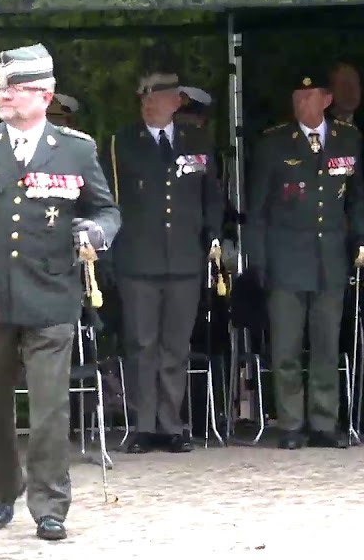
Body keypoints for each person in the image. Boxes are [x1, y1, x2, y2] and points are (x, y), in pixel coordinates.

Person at [0, 44, 120, 542]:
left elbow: (107, 209)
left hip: (51, 293)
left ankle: (50, 504)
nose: (4, 95)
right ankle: (5, 488)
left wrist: (97, 232)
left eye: (17, 88)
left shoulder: (76, 148)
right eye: (1, 87)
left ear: (45, 95)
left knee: (49, 407)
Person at [104, 72, 223, 453]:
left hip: (185, 257)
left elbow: (211, 196)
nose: (152, 102)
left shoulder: (196, 141)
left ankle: (171, 424)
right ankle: (143, 425)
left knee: (175, 345)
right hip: (138, 260)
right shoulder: (120, 144)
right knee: (141, 343)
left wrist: (214, 236)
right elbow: (109, 201)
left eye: (164, 96)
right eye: (149, 96)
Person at [247, 68, 363, 450]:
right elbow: (258, 210)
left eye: (309, 98)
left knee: (328, 344)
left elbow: (357, 199)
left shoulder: (349, 140)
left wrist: (358, 241)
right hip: (286, 258)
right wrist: (259, 260)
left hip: (330, 257)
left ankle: (324, 422)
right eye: (297, 98)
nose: (302, 104)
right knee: (286, 347)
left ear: (327, 100)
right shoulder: (274, 144)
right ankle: (292, 423)